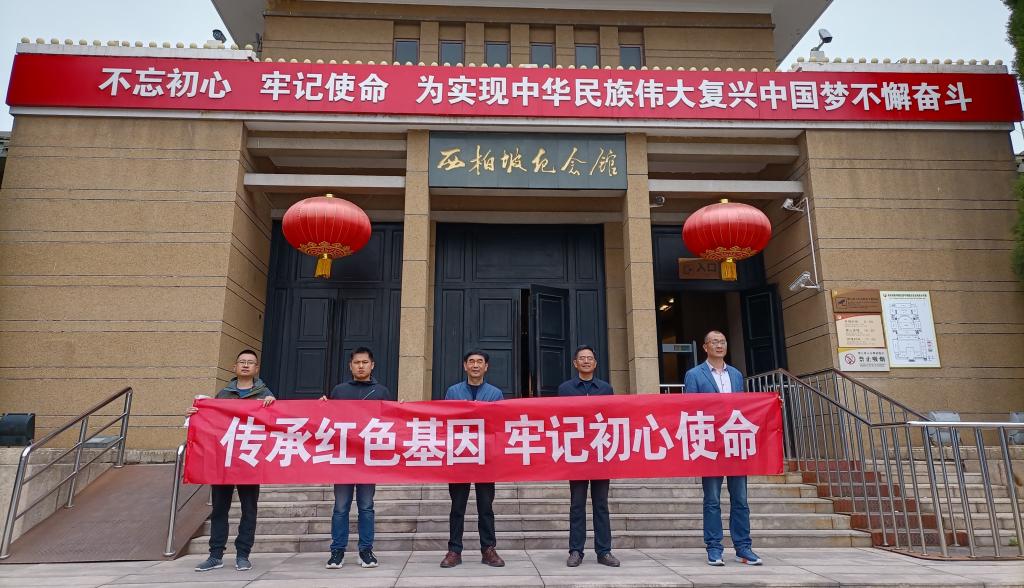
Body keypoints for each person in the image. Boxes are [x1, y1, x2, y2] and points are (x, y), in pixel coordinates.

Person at [186, 349, 276, 572]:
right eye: (242, 362)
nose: (245, 365)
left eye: (250, 362)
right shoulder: (222, 395)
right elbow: (211, 424)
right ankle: (215, 555)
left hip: (249, 459)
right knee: (219, 508)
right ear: (234, 367)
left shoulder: (265, 394)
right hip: (223, 461)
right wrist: (195, 414)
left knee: (249, 509)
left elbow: (275, 423)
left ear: (256, 368)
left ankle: (243, 554)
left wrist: (274, 405)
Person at [683, 331, 762, 567]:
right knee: (712, 500)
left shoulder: (736, 375)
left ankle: (743, 547)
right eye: (714, 342)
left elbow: (745, 408)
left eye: (722, 342)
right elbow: (690, 408)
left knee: (741, 499)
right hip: (710, 445)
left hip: (735, 443)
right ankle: (714, 548)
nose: (719, 345)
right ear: (705, 347)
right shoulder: (694, 374)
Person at [318, 347, 391, 570]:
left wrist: (401, 408)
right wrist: (320, 407)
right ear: (350, 366)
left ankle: (365, 550)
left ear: (372, 365)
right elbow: (328, 422)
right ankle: (337, 551)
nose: (361, 366)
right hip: (343, 458)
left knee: (366, 506)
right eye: (357, 362)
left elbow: (391, 422)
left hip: (368, 459)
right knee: (341, 507)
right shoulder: (339, 391)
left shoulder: (381, 392)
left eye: (365, 362)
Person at [439, 350, 505, 569]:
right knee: (457, 506)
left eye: (480, 362)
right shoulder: (453, 391)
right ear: (465, 366)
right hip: (460, 456)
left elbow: (500, 424)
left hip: (486, 458)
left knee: (485, 506)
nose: (475, 365)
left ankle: (488, 549)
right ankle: (454, 550)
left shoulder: (495, 393)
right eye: (471, 362)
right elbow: (445, 420)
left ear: (486, 367)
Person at [556, 345, 621, 568]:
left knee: (601, 504)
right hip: (577, 454)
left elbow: (612, 418)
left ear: (595, 363)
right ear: (575, 363)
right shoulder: (565, 389)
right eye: (582, 358)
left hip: (600, 453)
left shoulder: (606, 389)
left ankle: (604, 551)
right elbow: (559, 417)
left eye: (589, 358)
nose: (586, 361)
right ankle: (576, 550)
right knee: (577, 504)